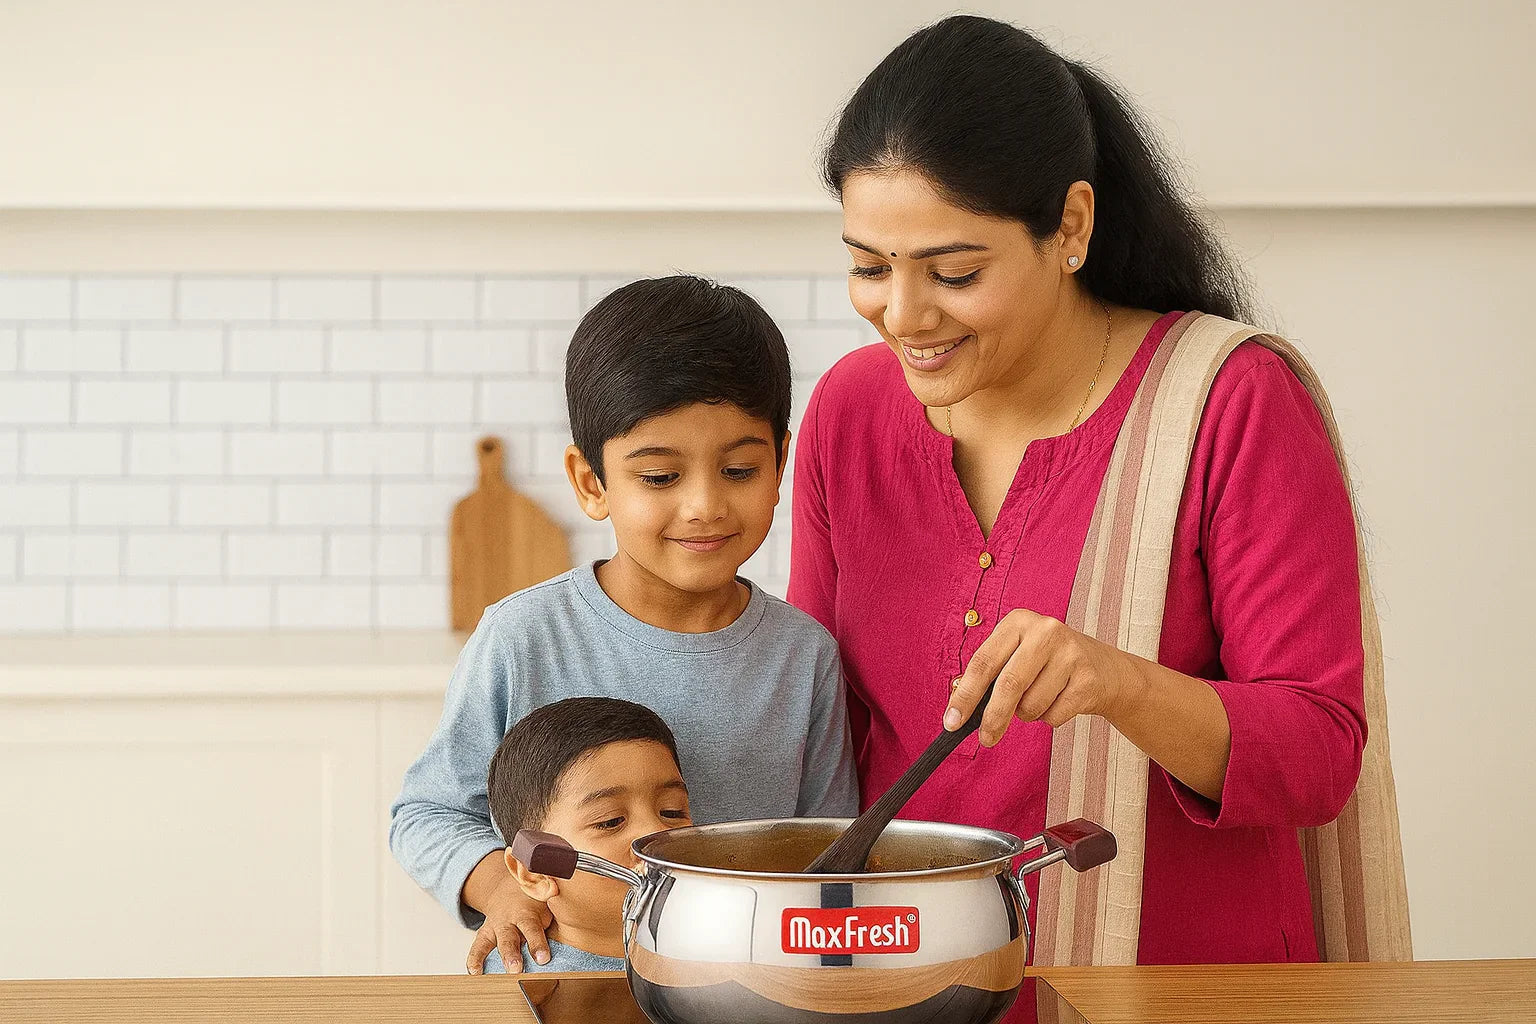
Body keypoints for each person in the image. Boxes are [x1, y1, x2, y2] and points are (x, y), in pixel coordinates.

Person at [790, 16, 1407, 1021]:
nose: (903, 314)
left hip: (1186, 995)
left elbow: (1318, 749)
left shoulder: (1230, 401)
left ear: (1072, 226)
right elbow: (809, 716)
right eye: (869, 266)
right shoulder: (850, 414)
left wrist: (1114, 679)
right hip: (917, 993)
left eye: (952, 273)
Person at [390, 274, 860, 974]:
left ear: (781, 463)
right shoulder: (524, 636)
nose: (704, 505)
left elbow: (832, 857)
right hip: (550, 998)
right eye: (660, 478)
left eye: (738, 469)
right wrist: (497, 890)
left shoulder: (803, 656)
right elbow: (425, 815)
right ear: (591, 483)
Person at [483, 696, 691, 973]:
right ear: (533, 872)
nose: (655, 833)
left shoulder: (730, 963)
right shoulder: (509, 989)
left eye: (672, 812)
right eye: (610, 821)